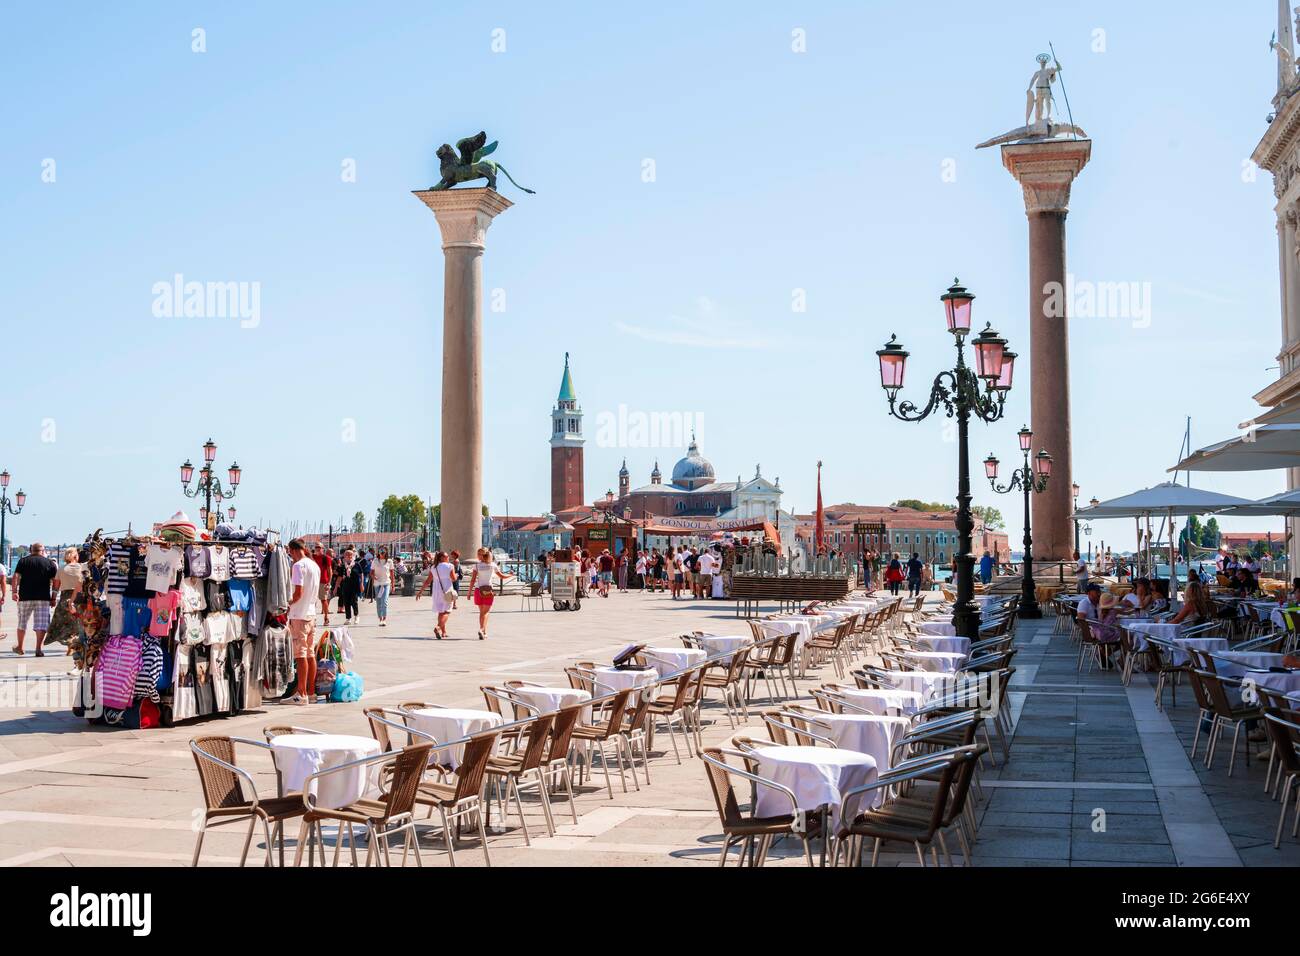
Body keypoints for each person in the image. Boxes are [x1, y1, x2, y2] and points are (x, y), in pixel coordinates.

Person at [283, 538, 320, 706]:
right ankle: (311, 692)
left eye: (290, 552)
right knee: (310, 654)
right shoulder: (314, 565)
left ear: (293, 550)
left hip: (299, 614)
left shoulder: (298, 566)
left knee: (300, 655)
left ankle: (301, 693)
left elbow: (298, 593)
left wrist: (286, 605)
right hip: (311, 613)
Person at [11, 542, 57, 657]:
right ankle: (38, 649)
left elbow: (16, 576)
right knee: (41, 624)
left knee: (22, 623)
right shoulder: (49, 563)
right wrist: (53, 597)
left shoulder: (23, 561)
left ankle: (20, 647)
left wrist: (14, 592)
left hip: (25, 597)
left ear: (31, 550)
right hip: (43, 598)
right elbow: (55, 581)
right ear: (42, 550)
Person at [468, 547, 510, 639]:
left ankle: (483, 631)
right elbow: (502, 576)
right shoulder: (493, 565)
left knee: (481, 612)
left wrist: (469, 592)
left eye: (478, 554)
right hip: (488, 591)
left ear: (481, 555)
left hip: (478, 590)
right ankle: (482, 629)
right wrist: (510, 575)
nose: (477, 555)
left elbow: (473, 580)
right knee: (486, 612)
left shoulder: (476, 566)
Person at [46, 547, 84, 647]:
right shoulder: (82, 568)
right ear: (76, 556)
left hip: (65, 598)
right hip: (80, 598)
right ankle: (75, 643)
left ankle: (68, 642)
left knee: (60, 624)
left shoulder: (61, 569)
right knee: (78, 623)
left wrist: (53, 599)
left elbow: (55, 587)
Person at [415, 550, 457, 639]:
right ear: (442, 558)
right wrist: (455, 576)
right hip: (447, 590)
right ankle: (438, 627)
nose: (448, 558)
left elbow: (428, 581)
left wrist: (420, 592)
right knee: (447, 611)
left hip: (437, 591)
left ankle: (444, 632)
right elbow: (453, 579)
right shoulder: (450, 566)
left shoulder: (434, 567)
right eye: (447, 557)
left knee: (441, 611)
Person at [335, 548, 364, 623]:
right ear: (344, 556)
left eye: (350, 555)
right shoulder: (342, 566)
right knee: (346, 602)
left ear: (353, 556)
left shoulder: (356, 564)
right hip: (345, 586)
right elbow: (339, 577)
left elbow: (361, 574)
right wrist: (335, 587)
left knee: (354, 601)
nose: (348, 556)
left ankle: (356, 615)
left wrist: (361, 584)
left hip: (354, 586)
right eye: (347, 555)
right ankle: (348, 618)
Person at [311, 543, 333, 625]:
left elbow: (329, 570)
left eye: (319, 547)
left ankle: (326, 617)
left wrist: (329, 582)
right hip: (313, 581)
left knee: (323, 600)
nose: (317, 548)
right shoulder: (312, 557)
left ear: (323, 548)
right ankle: (313, 619)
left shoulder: (326, 558)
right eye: (316, 547)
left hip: (323, 581)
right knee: (313, 601)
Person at [371, 548, 393, 626]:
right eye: (381, 552)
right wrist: (374, 577)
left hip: (386, 583)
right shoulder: (375, 561)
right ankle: (380, 618)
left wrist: (393, 585)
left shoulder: (389, 561)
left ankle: (384, 619)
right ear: (379, 552)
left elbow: (392, 573)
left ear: (386, 552)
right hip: (377, 584)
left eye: (383, 552)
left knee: (384, 601)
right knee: (378, 602)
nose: (382, 553)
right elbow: (371, 572)